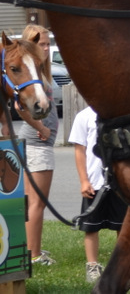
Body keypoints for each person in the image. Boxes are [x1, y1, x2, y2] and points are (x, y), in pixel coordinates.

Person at [14, 24, 58, 266]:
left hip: (36, 144)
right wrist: (41, 128)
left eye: (48, 43)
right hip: (37, 144)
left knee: (31, 202)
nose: (46, 48)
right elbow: (20, 107)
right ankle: (34, 254)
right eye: (41, 44)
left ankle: (31, 248)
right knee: (37, 202)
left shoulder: (40, 72)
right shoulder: (30, 74)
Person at [71, 104, 127, 283]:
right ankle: (92, 265)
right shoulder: (83, 116)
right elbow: (79, 151)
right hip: (94, 183)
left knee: (122, 226)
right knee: (91, 227)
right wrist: (84, 180)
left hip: (119, 182)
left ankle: (121, 266)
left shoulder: (118, 112)